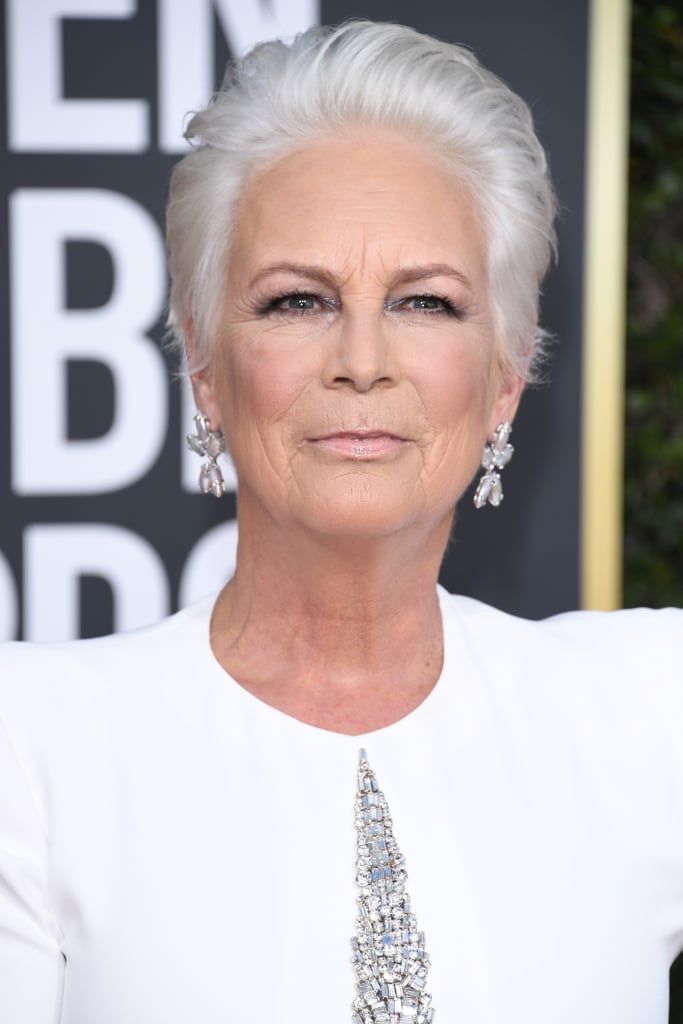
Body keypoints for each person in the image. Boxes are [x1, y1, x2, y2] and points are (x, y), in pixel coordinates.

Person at [0, 20, 681, 1024]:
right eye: (295, 301)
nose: (361, 359)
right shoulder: (35, 742)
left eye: (424, 303)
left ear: (502, 379)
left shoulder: (644, 710)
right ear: (202, 366)